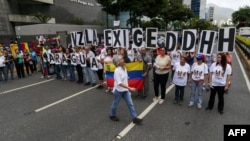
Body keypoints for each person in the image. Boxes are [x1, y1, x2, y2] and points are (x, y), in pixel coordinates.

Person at [109, 55, 143, 124]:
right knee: (115, 104)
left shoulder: (124, 68)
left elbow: (126, 78)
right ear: (118, 62)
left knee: (130, 104)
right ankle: (112, 115)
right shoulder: (117, 71)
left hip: (125, 91)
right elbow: (119, 83)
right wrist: (130, 88)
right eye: (121, 59)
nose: (123, 60)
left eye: (122, 58)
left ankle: (134, 118)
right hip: (118, 91)